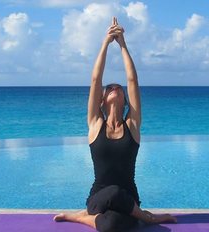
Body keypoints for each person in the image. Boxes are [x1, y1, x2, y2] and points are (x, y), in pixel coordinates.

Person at [54, 17, 177, 232]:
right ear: (101, 101)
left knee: (113, 226)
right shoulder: (94, 124)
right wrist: (105, 42)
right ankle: (148, 218)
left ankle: (82, 218)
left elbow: (132, 81)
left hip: (129, 200)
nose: (114, 87)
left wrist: (122, 44)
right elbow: (95, 79)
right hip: (98, 199)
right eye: (109, 87)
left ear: (125, 98)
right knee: (112, 192)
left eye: (118, 87)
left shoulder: (132, 125)